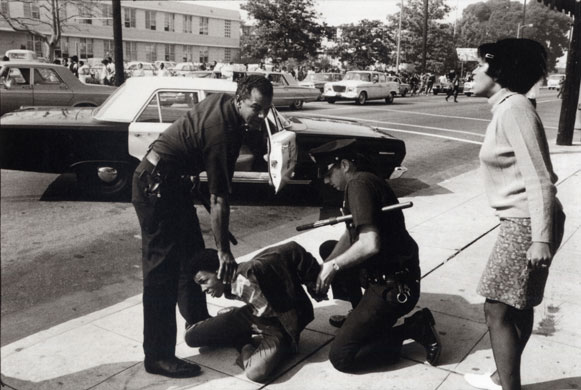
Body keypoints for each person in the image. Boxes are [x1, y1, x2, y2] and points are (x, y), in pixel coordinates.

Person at [132, 75, 273, 378]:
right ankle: (157, 356)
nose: (260, 116)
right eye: (256, 108)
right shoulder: (223, 131)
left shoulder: (226, 106)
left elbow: (194, 141)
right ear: (240, 99)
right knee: (161, 275)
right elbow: (220, 198)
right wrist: (223, 251)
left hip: (173, 184)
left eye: (266, 110)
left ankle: (198, 324)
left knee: (192, 257)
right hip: (155, 188)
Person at [464, 38, 565, 390]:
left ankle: (508, 387)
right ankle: (501, 378)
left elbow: (540, 179)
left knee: (496, 308)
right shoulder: (509, 107)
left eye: (480, 65)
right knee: (516, 305)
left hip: (526, 223)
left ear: (499, 71)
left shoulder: (515, 108)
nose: (474, 71)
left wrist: (540, 237)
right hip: (524, 220)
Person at [309, 139, 442, 373]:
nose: (326, 180)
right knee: (328, 250)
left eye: (328, 173)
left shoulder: (359, 185)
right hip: (385, 271)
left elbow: (369, 244)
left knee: (341, 357)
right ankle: (358, 314)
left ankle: (414, 328)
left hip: (393, 285)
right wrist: (328, 263)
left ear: (345, 165)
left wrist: (335, 268)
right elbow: (351, 235)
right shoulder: (362, 181)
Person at [185, 241, 326, 382]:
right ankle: (236, 326)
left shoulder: (255, 269)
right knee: (191, 338)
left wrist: (312, 282)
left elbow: (292, 248)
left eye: (204, 281)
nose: (203, 290)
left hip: (278, 327)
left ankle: (241, 341)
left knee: (256, 373)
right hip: (252, 315)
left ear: (220, 271)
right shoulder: (229, 286)